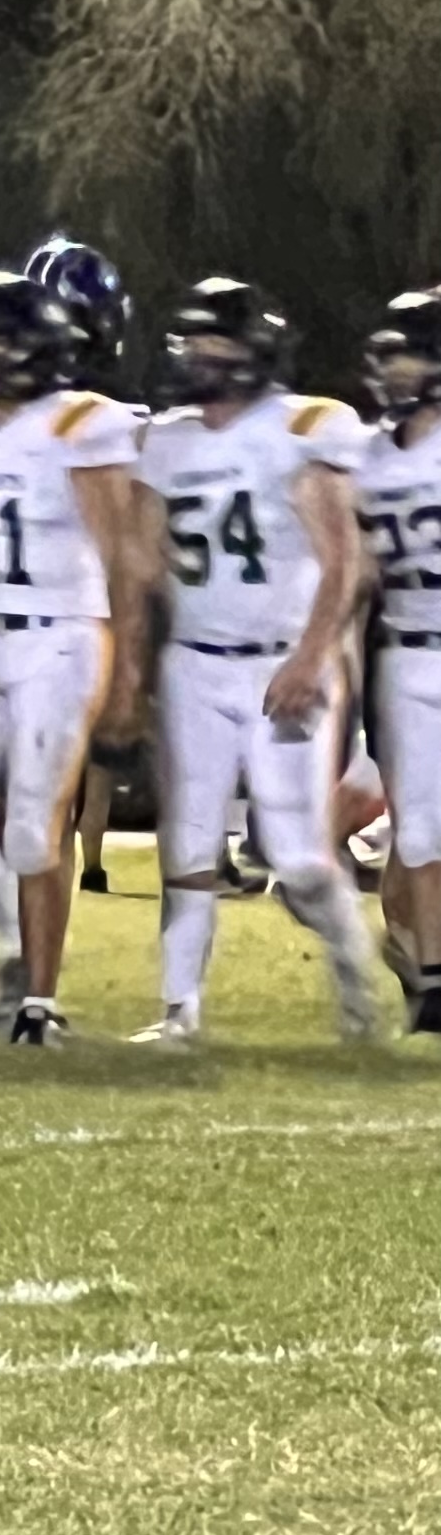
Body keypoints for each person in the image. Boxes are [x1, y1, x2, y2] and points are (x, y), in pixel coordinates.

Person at [131, 277, 383, 1043]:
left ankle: (354, 979)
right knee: (188, 838)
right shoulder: (166, 439)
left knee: (301, 860)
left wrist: (312, 658)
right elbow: (140, 557)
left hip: (281, 661)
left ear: (254, 353)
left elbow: (346, 563)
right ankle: (181, 1010)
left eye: (216, 343)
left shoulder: (304, 426)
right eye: (191, 341)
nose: (198, 356)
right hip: (193, 660)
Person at [0, 269, 151, 1046]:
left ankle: (37, 1001)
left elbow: (122, 557)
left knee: (31, 827)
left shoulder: (80, 423)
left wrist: (129, 667)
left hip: (60, 633)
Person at [357, 292, 441, 1035]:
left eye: (406, 352)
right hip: (409, 651)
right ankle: (429, 978)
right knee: (417, 832)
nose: (391, 369)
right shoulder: (367, 452)